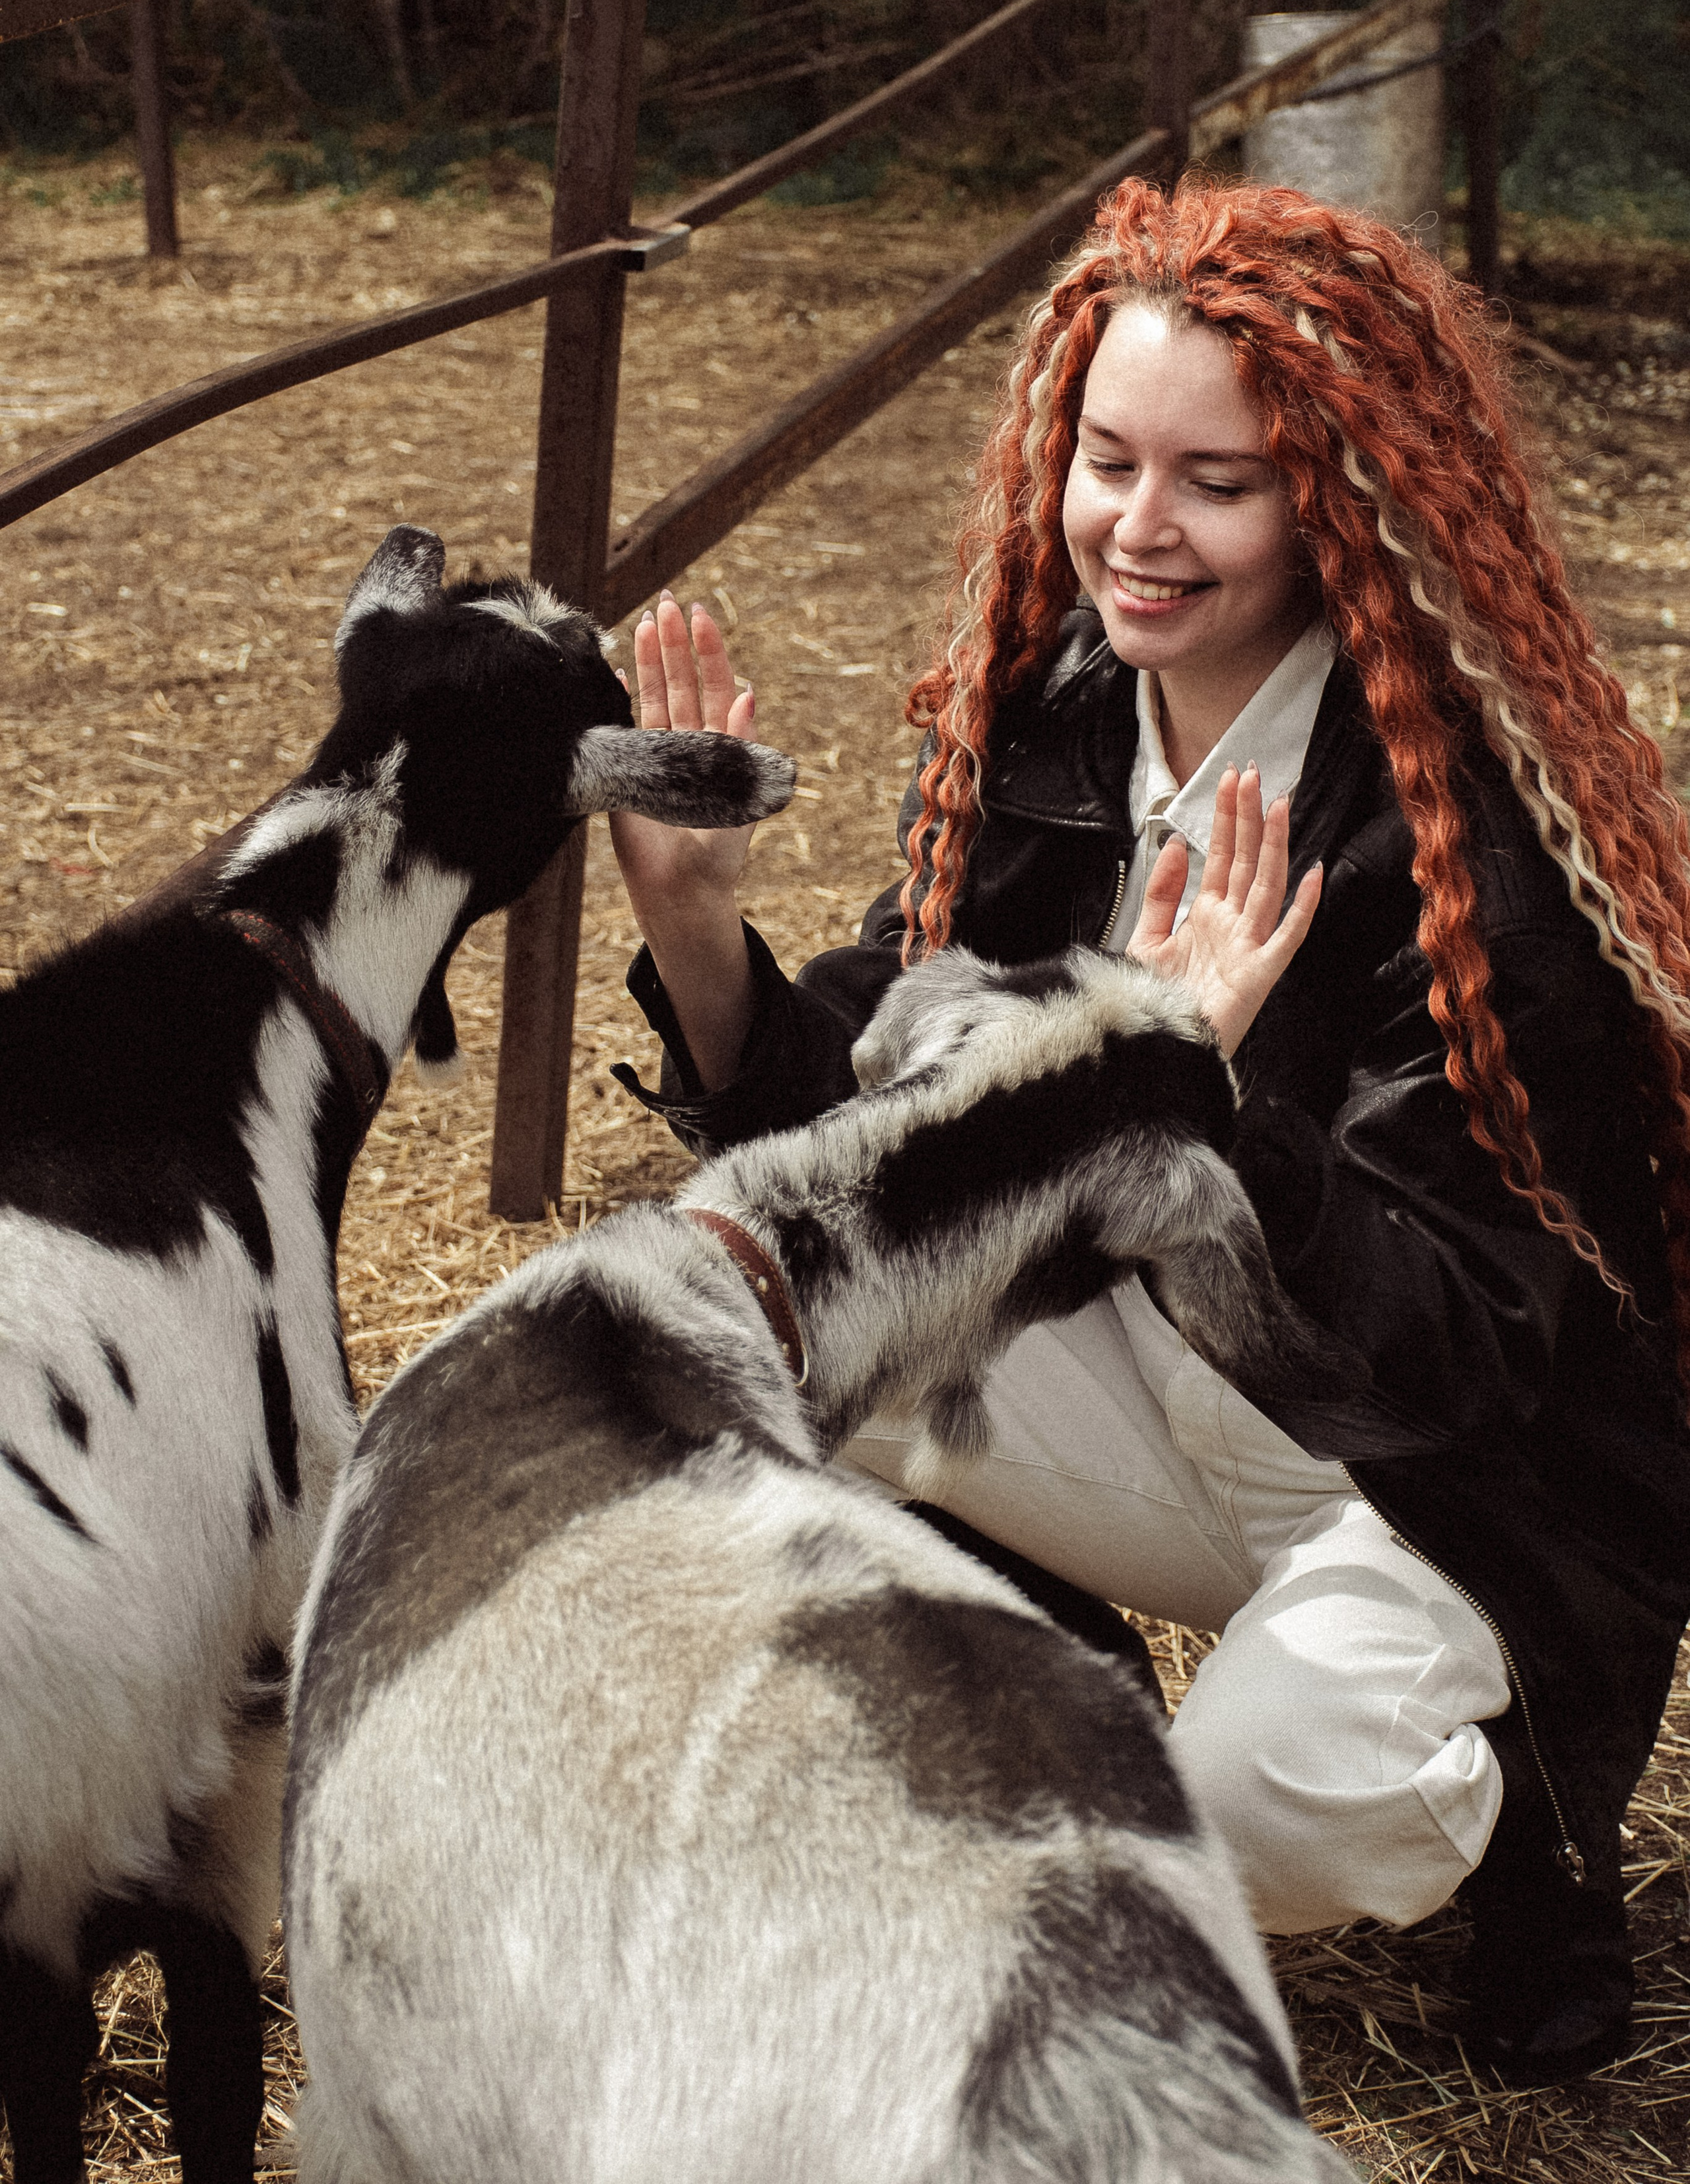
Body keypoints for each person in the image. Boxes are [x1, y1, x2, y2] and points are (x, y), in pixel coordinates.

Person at [607, 174, 1690, 2084]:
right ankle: (1051, 1675)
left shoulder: (1472, 848)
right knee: (728, 1331)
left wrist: (1197, 1089)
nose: (1137, 526)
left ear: (1336, 502)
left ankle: (1528, 1829)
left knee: (1256, 1809)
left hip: (1434, 1484)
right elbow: (874, 1129)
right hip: (1164, 1391)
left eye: (1219, 481)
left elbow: (1462, 1355)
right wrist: (699, 931)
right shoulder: (1052, 719)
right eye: (1108, 460)